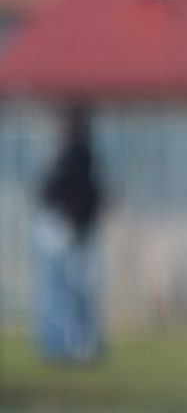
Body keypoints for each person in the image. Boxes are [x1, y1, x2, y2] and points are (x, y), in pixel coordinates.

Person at [34, 103, 104, 363]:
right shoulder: (71, 155)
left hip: (75, 228)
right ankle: (66, 343)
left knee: (71, 288)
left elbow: (73, 191)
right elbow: (51, 191)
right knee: (67, 288)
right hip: (66, 228)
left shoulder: (78, 154)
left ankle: (71, 343)